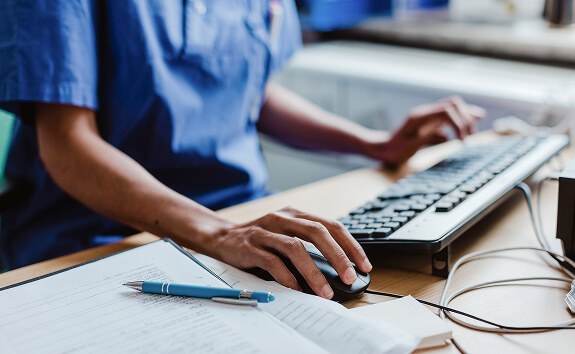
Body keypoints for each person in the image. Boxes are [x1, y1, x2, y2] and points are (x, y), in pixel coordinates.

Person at [0, 1, 484, 299]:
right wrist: (220, 234)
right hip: (97, 240)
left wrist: (375, 144)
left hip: (238, 223)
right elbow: (66, 142)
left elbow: (252, 92)